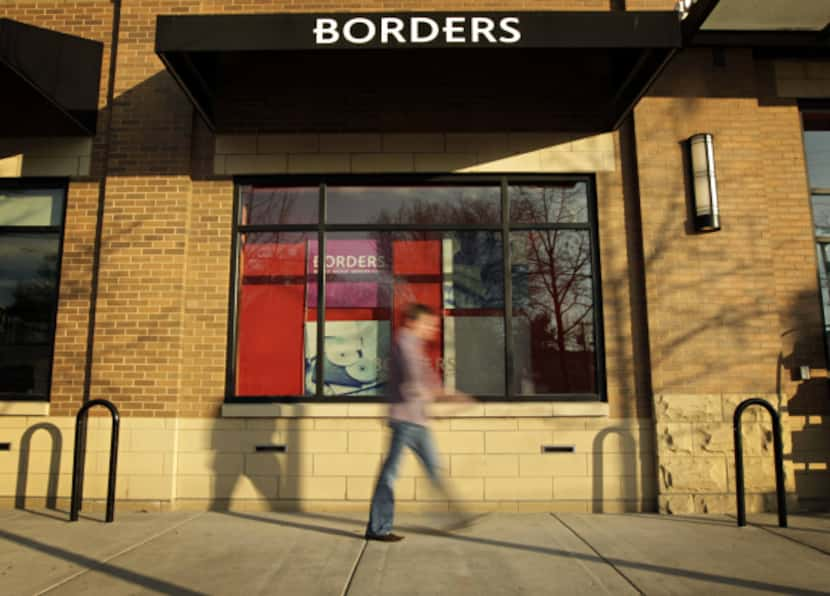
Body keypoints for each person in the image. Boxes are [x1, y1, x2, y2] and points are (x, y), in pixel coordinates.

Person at [365, 303, 476, 542]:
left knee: (434, 470)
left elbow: (427, 382)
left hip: (418, 420)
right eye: (428, 324)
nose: (432, 328)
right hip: (405, 420)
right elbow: (414, 380)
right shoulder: (403, 344)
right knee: (390, 475)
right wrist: (434, 394)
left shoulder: (414, 346)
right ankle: (378, 527)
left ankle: (454, 515)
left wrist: (452, 395)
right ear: (413, 322)